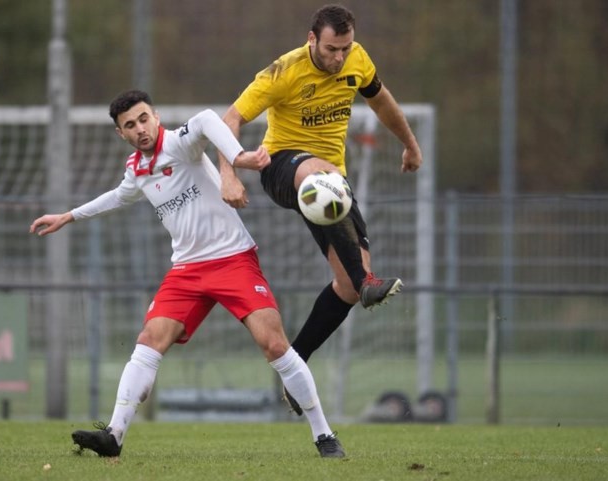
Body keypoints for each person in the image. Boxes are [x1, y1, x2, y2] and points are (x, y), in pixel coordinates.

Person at [29, 90, 345, 459]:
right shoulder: (137, 170)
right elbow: (118, 195)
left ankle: (324, 435)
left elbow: (210, 118)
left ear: (156, 116)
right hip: (187, 271)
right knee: (149, 339)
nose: (140, 128)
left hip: (233, 260)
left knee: (274, 344)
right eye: (130, 125)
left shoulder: (180, 143)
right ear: (121, 134)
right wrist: (69, 216)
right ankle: (114, 434)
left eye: (144, 118)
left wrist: (238, 158)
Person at [218, 4, 423, 415]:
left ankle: (295, 367)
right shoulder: (284, 71)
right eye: (332, 49)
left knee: (344, 287)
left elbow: (381, 101)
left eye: (345, 48)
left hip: (332, 185)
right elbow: (231, 118)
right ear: (312, 39)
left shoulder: (357, 59)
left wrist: (410, 144)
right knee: (319, 174)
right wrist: (228, 174)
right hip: (281, 168)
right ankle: (368, 283)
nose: (339, 57)